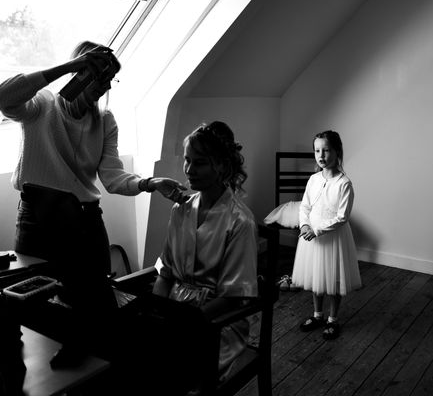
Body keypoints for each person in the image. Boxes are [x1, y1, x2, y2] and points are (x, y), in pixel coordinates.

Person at [0, 41, 187, 367]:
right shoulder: (41, 106)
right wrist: (65, 69)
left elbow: (112, 177)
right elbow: (4, 97)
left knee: (94, 305)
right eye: (96, 76)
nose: (102, 87)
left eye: (107, 80)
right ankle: (23, 375)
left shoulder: (105, 121)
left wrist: (149, 183)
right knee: (27, 300)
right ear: (79, 71)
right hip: (36, 217)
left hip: (84, 220)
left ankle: (91, 370)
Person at [152, 121, 258, 394]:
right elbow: (165, 274)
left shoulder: (240, 221)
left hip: (217, 322)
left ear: (221, 166)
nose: (188, 170)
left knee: (177, 375)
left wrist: (185, 324)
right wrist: (156, 314)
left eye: (199, 163)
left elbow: (234, 296)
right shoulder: (181, 209)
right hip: (176, 312)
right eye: (187, 160)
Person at [291, 130, 361, 340]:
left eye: (326, 150)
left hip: (332, 238)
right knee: (316, 276)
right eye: (317, 151)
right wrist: (304, 225)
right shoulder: (313, 179)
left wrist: (317, 230)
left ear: (337, 152)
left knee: (333, 279)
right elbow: (304, 205)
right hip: (311, 237)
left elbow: (342, 217)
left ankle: (333, 319)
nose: (321, 155)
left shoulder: (344, 184)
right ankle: (317, 314)